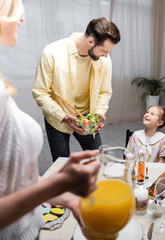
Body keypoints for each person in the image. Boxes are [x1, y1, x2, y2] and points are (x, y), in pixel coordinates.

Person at [0, 1, 101, 239]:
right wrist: (53, 184)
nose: (23, 15)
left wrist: (63, 196)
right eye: (16, 4)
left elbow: (7, 173)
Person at [32, 17, 121, 162]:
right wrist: (64, 117)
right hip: (58, 117)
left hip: (87, 117)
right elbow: (40, 92)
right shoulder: (51, 53)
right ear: (91, 41)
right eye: (104, 51)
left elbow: (105, 91)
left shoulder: (104, 58)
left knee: (98, 161)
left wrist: (98, 113)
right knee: (61, 166)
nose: (106, 56)